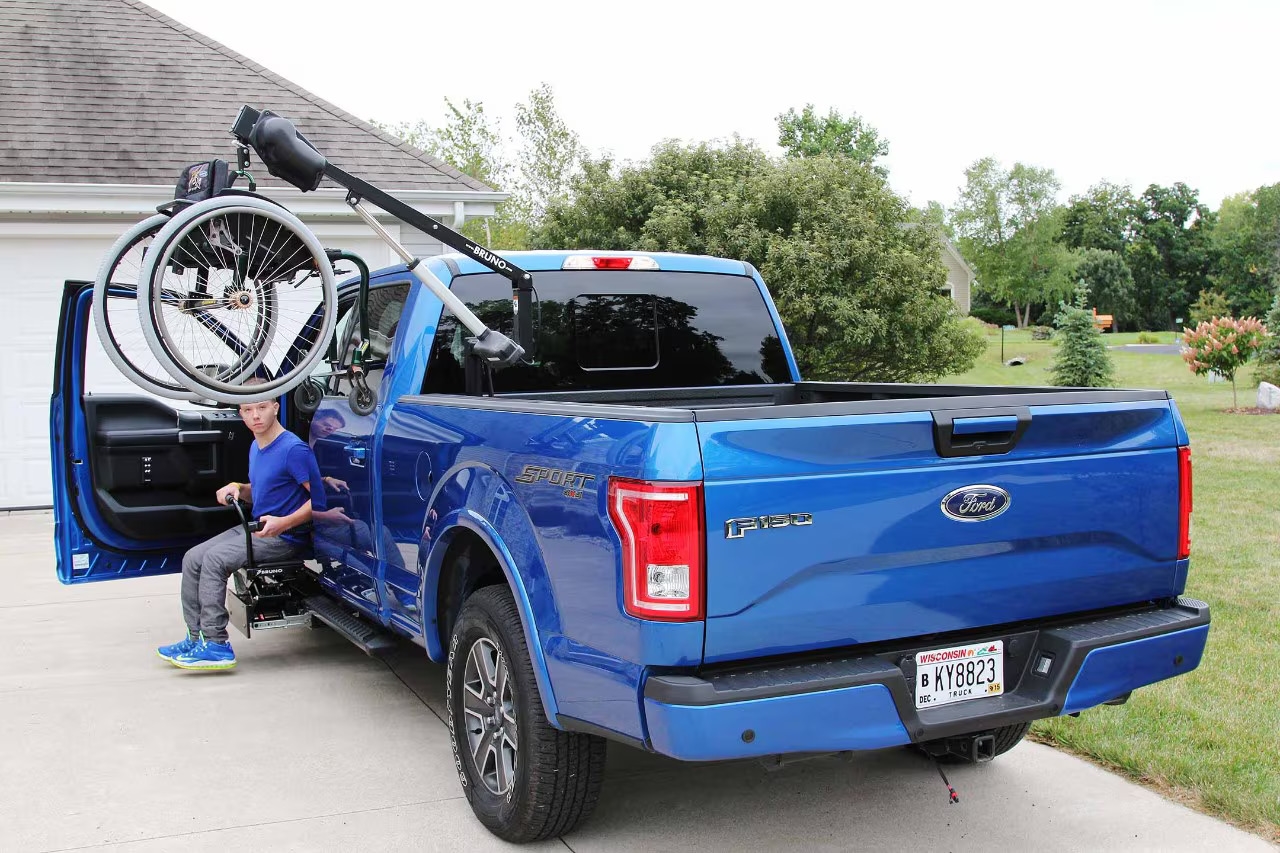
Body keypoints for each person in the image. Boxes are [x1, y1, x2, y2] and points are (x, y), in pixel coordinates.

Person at [157, 394, 325, 670]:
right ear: (241, 413)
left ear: (275, 408)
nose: (255, 415)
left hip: (286, 538)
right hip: (259, 528)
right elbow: (263, 489)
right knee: (192, 558)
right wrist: (238, 487)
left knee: (214, 560)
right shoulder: (256, 446)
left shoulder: (293, 450)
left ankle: (216, 645)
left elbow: (320, 500)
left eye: (261, 408)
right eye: (248, 410)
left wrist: (284, 523)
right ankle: (195, 637)